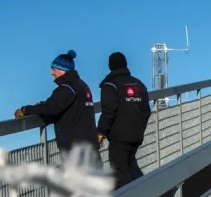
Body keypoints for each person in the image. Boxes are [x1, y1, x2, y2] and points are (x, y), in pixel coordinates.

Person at [15, 49, 98, 154]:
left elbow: (50, 109)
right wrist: (45, 105)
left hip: (75, 149)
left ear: (62, 70)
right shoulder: (82, 85)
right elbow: (63, 106)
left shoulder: (67, 88)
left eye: (54, 69)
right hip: (89, 145)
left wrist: (25, 110)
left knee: (77, 171)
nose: (51, 73)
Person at [97, 52, 151, 188]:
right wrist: (140, 128)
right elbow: (146, 110)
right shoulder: (139, 84)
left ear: (110, 66)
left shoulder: (110, 85)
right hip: (136, 136)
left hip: (119, 137)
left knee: (119, 174)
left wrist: (101, 133)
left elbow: (108, 111)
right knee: (128, 169)